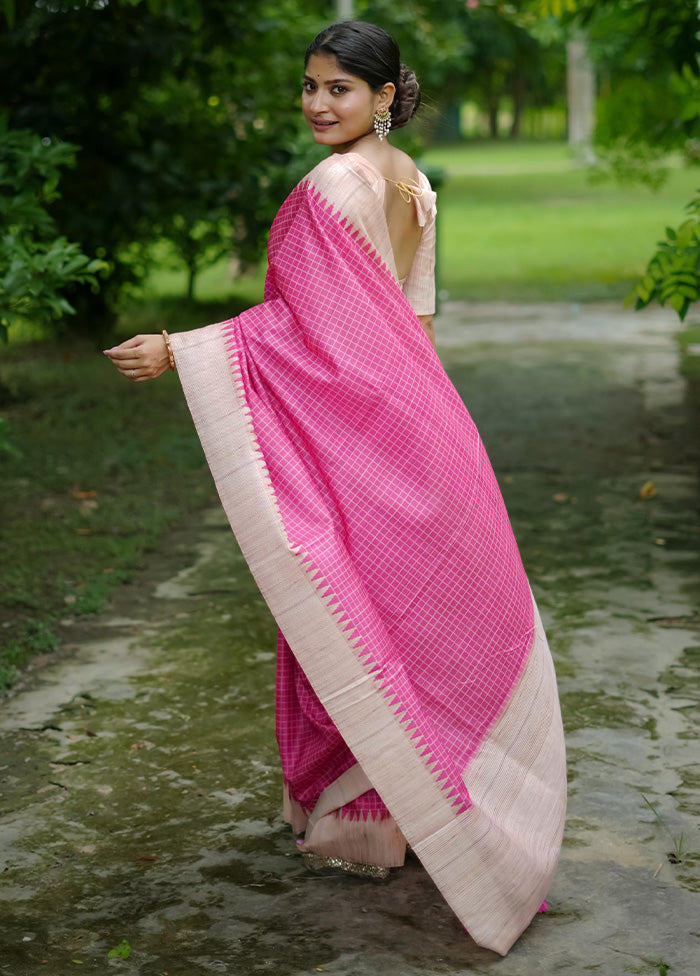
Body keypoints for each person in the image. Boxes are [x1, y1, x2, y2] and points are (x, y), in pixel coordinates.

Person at [104, 21, 566, 957]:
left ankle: (379, 827)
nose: (319, 104)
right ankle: (434, 828)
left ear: (386, 93)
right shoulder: (413, 183)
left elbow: (306, 328)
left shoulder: (330, 187)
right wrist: (430, 437)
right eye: (309, 86)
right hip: (423, 430)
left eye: (339, 90)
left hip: (367, 440)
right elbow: (412, 326)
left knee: (355, 623)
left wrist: (181, 348)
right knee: (412, 631)